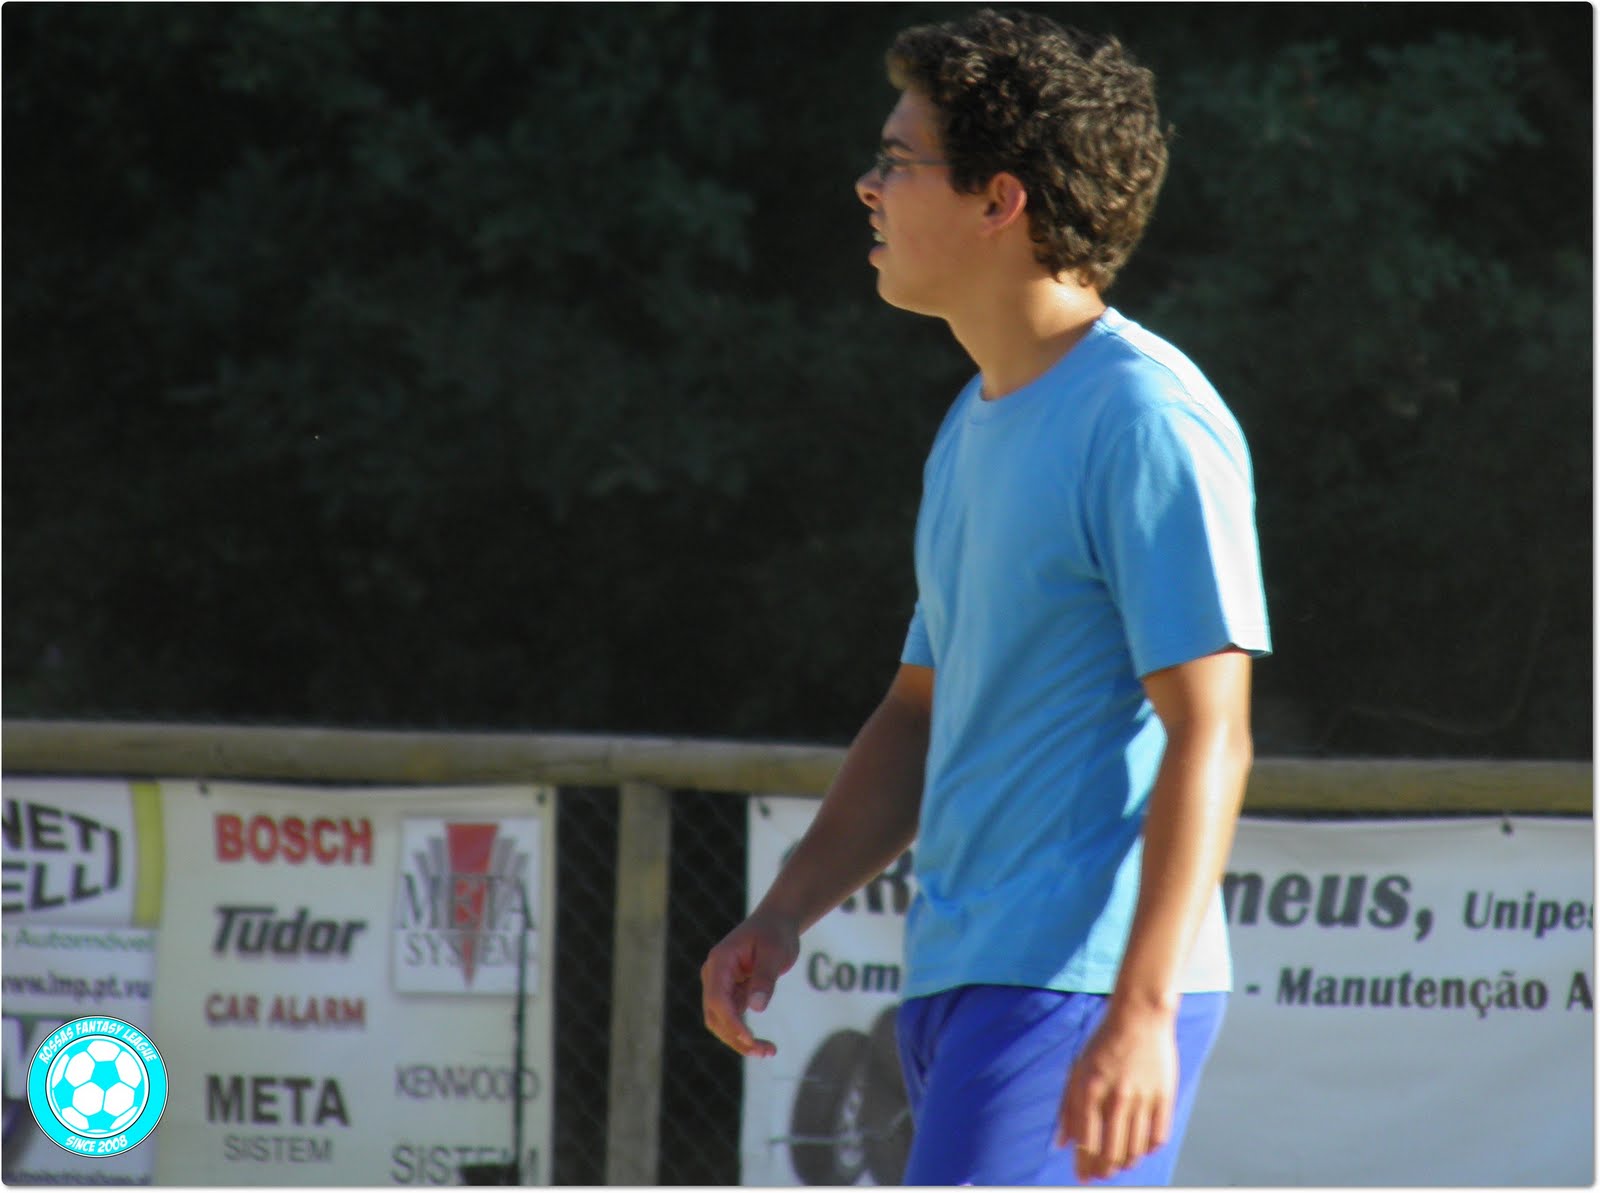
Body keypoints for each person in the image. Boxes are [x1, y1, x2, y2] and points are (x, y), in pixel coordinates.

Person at [701, 8, 1271, 1185]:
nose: (867, 186)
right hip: (967, 984)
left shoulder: (1145, 416)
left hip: (1078, 988)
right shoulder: (972, 422)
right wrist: (783, 909)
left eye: (896, 160)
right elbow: (921, 712)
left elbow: (1210, 728)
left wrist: (1141, 1007)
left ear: (999, 200)